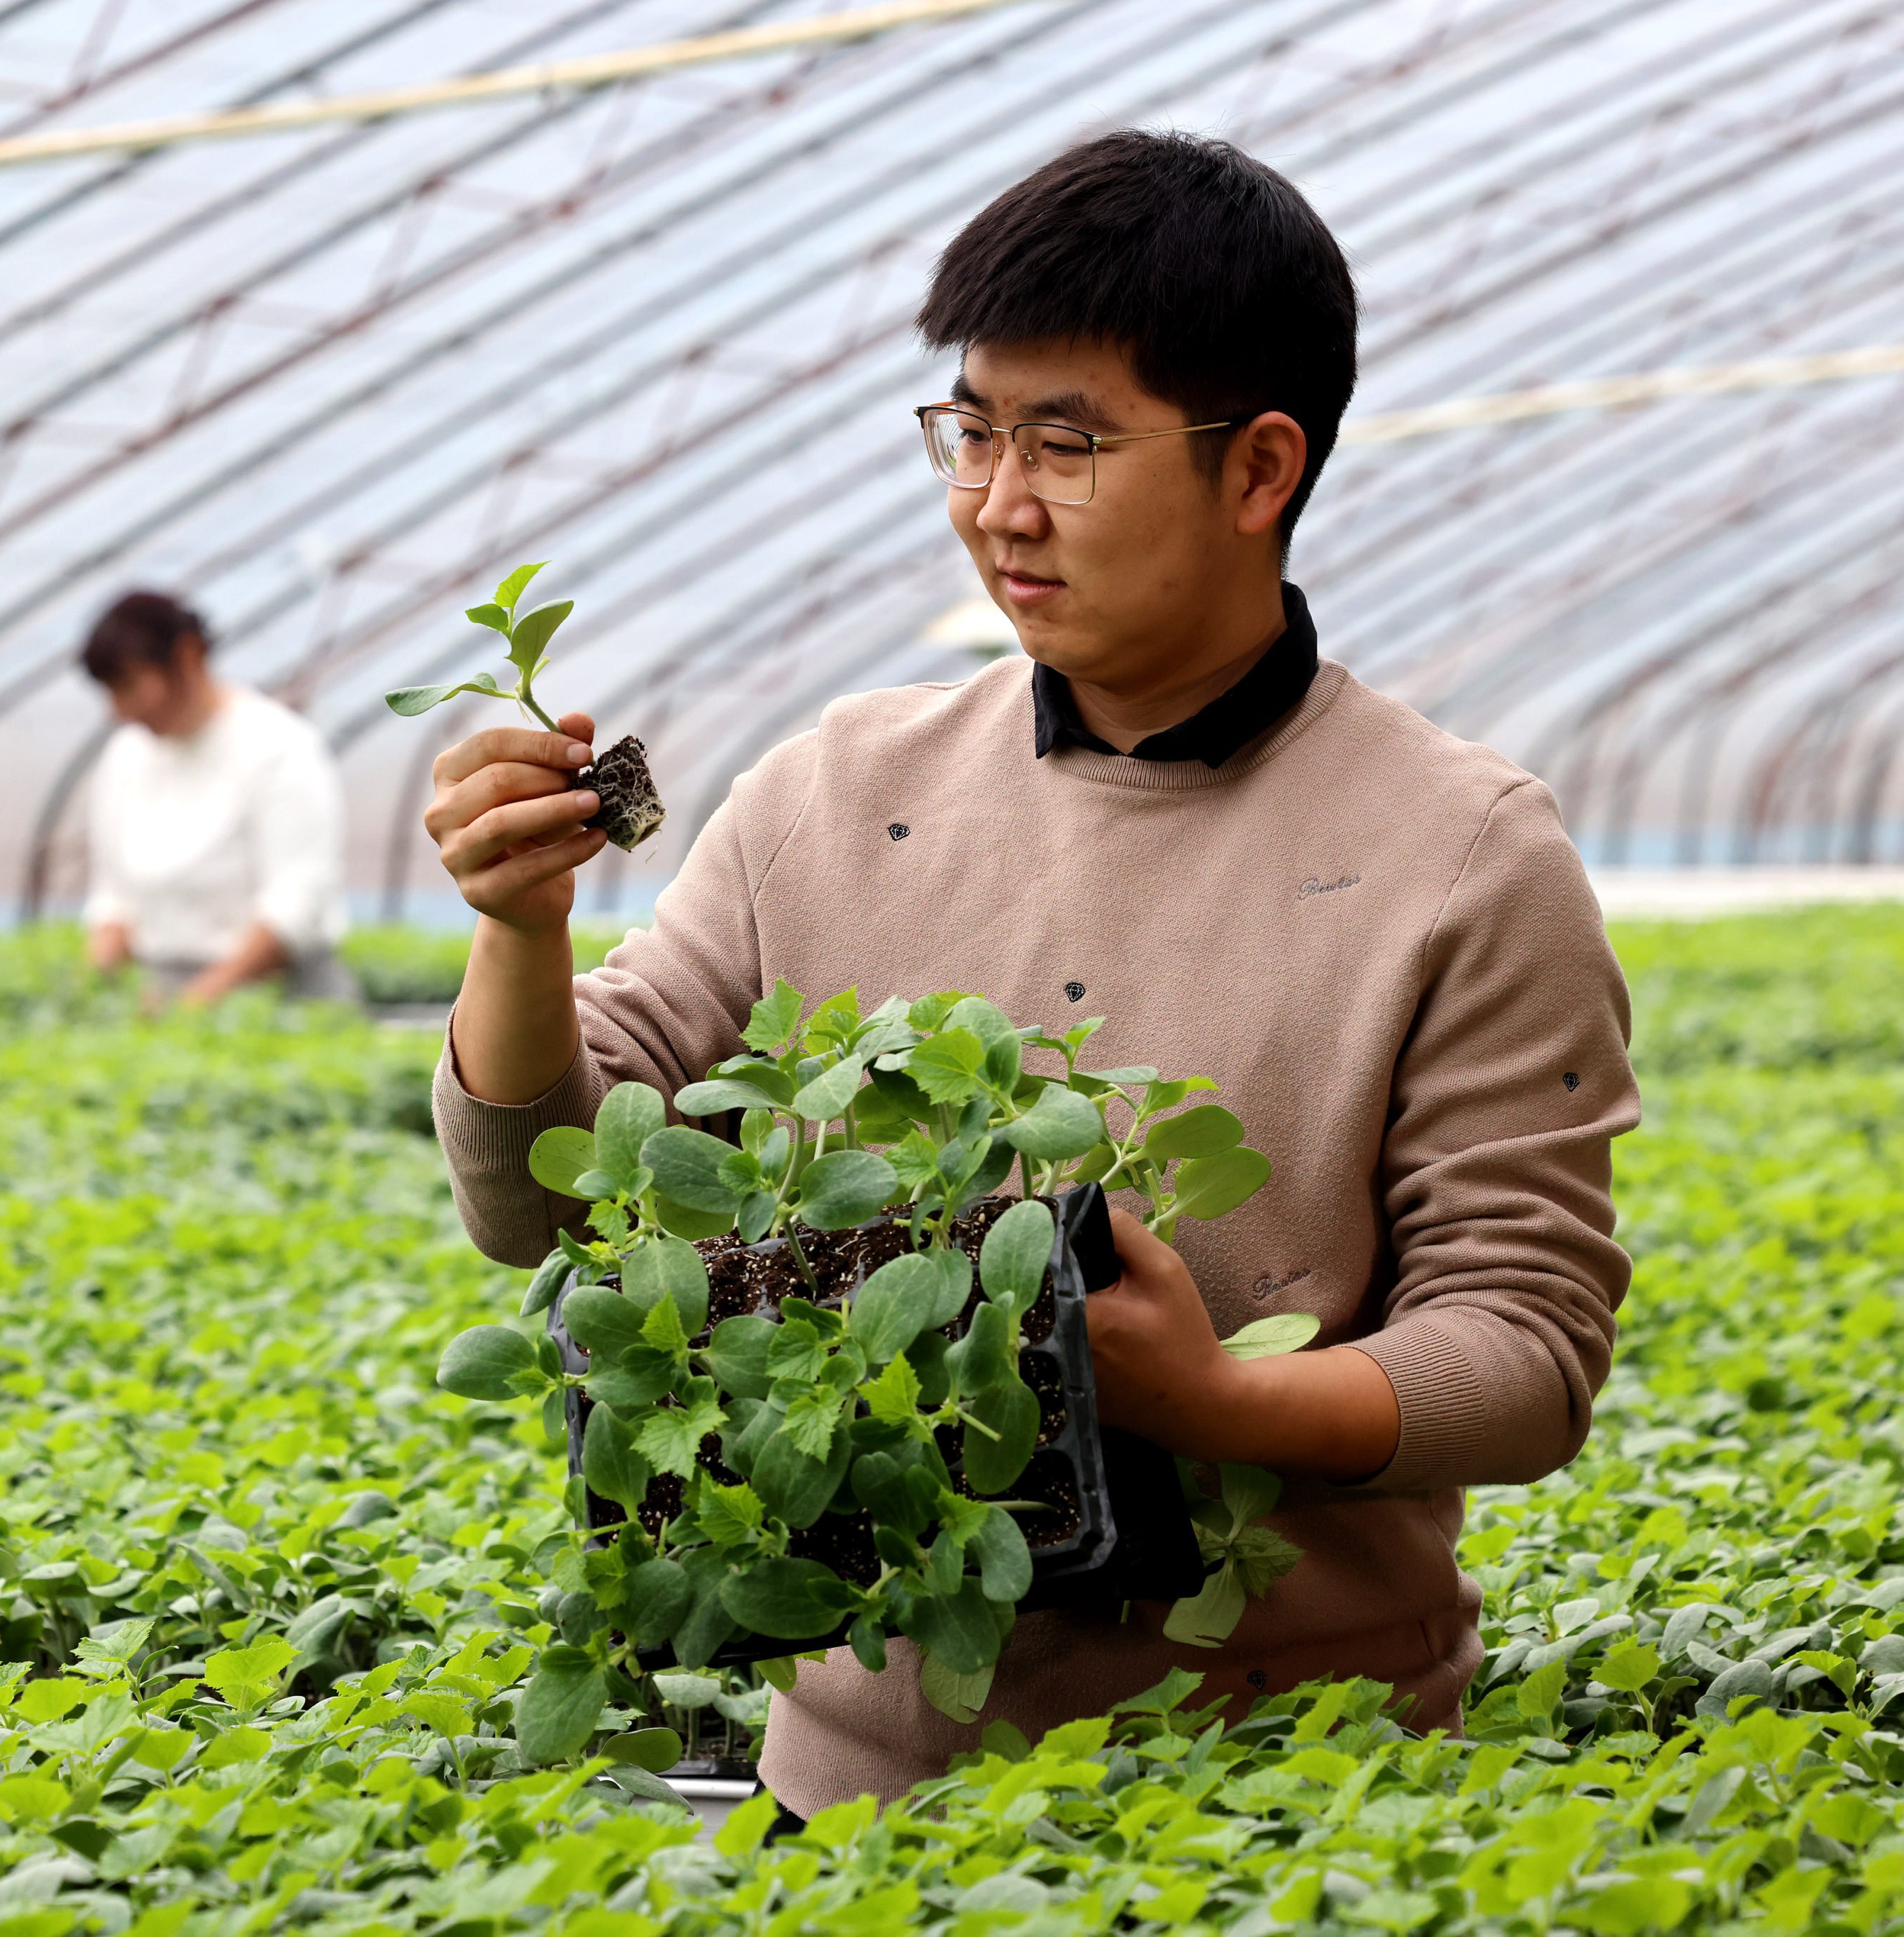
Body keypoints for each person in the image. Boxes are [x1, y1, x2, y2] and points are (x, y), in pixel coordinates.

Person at [417, 132, 1640, 1812]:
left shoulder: (1463, 854)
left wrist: (1213, 1397)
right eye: (970, 431)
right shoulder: (833, 791)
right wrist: (519, 932)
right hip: (844, 1785)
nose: (996, 501)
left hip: (1290, 1794)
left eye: (1068, 441)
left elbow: (1523, 1347)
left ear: (1259, 466)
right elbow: (540, 1203)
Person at [77, 591, 354, 1007]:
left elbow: (296, 904)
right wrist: (91, 990)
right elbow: (114, 894)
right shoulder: (126, 756)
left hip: (283, 1001)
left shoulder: (278, 746)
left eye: (129, 686)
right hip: (167, 993)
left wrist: (195, 1004)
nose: (119, 710)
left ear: (187, 657)